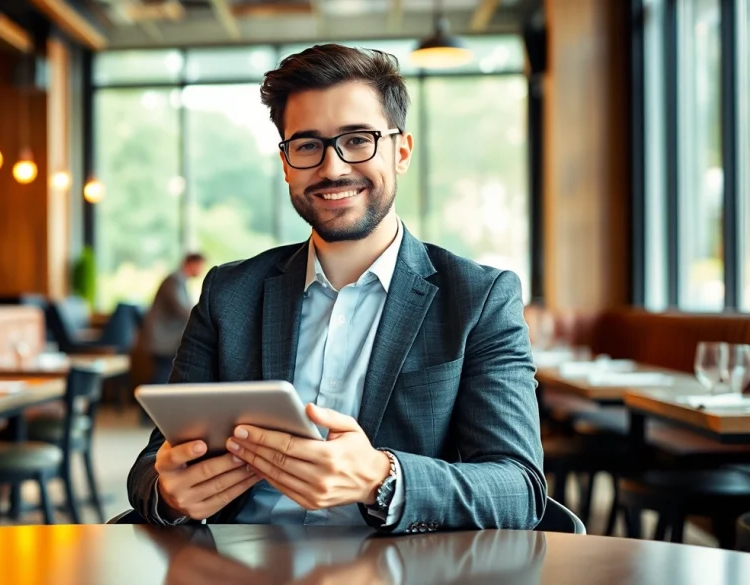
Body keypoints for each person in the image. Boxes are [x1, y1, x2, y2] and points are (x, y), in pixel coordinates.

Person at [127, 44, 546, 533]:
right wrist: (169, 493)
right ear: (286, 163)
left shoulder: (480, 299)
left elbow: (519, 489)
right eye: (308, 145)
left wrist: (382, 478)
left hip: (401, 562)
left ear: (401, 151)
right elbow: (153, 462)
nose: (332, 168)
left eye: (358, 139)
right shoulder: (229, 294)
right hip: (243, 558)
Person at [139, 253, 207, 385]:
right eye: (200, 266)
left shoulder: (180, 281)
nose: (201, 270)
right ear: (191, 264)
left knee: (164, 373)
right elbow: (182, 309)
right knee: (163, 374)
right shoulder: (174, 280)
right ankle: (149, 399)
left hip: (164, 339)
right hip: (162, 339)